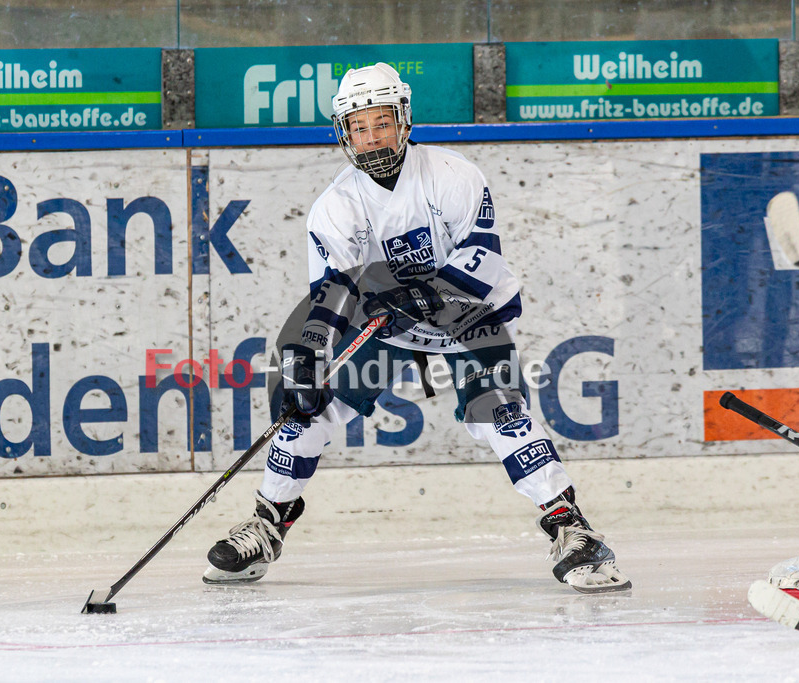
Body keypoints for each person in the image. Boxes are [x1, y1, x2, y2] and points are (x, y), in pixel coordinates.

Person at [202, 62, 630, 594]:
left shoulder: (452, 174)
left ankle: (572, 528)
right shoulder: (335, 206)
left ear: (403, 120)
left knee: (500, 412)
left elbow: (482, 257)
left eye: (381, 123)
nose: (371, 137)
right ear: (344, 133)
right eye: (359, 127)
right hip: (390, 326)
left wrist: (427, 294)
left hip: (469, 315)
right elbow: (332, 292)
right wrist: (308, 354)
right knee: (306, 410)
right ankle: (268, 525)